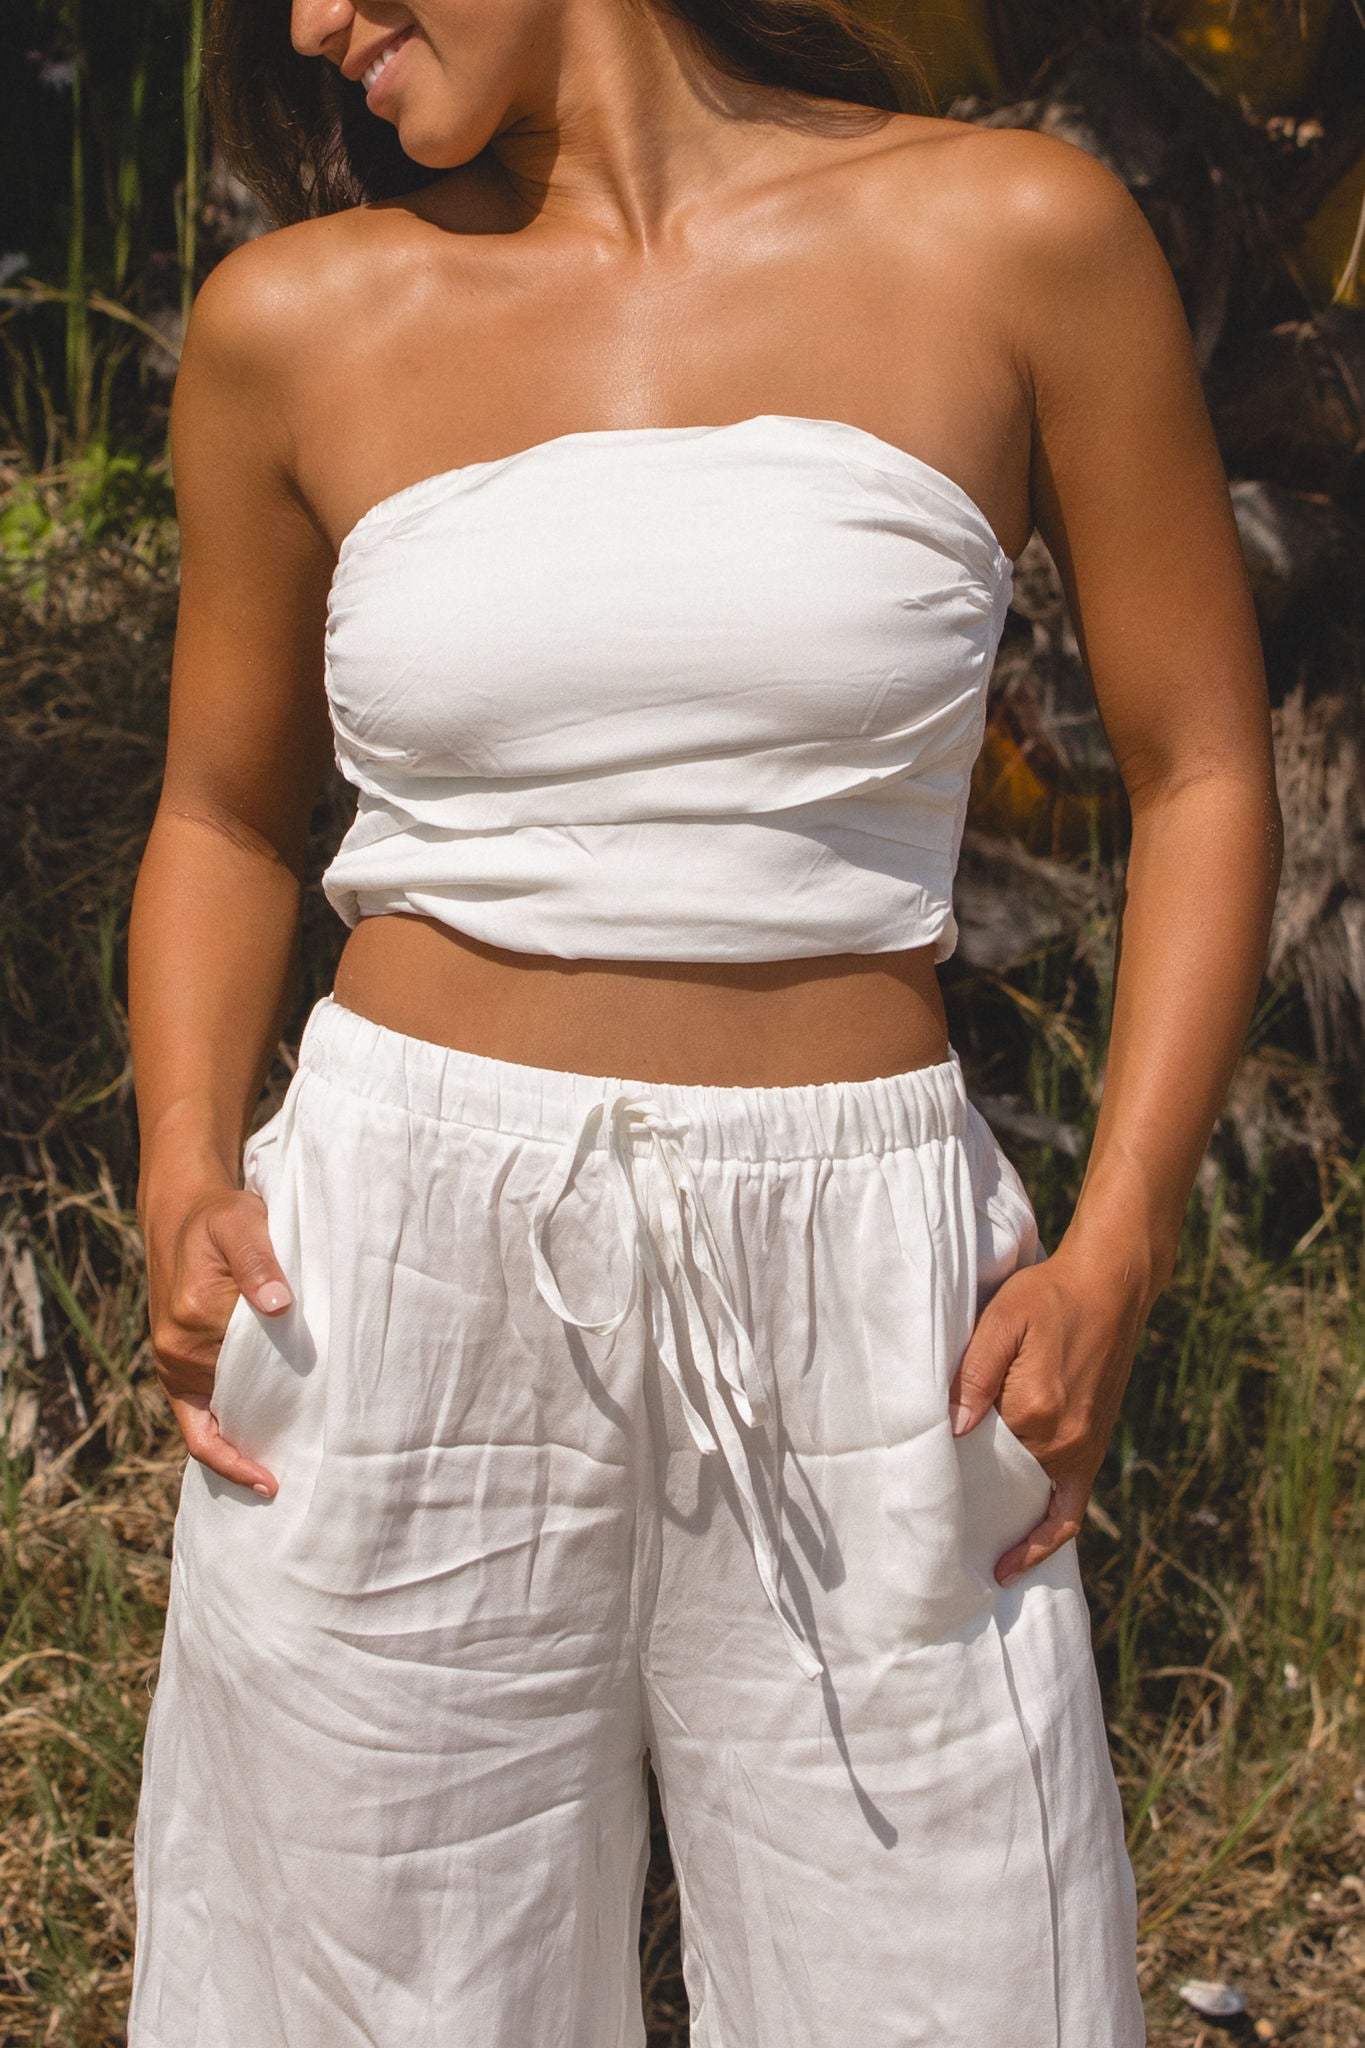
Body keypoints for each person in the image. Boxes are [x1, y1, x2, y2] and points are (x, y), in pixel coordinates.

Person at [125, 0, 1281, 2041]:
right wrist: (182, 1159)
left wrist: (1119, 1243)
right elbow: (223, 812)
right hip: (393, 1272)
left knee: (957, 1991)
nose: (308, 24)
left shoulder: (1014, 237)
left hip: (872, 1299)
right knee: (357, 2002)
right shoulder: (291, 323)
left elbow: (1200, 768)